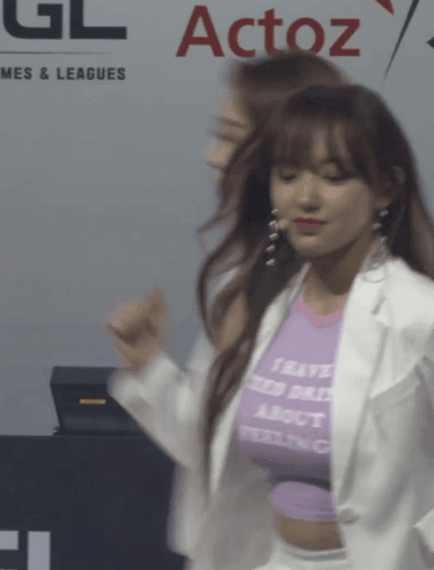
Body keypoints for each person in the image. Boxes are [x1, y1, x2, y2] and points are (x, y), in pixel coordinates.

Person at [106, 53, 434, 570]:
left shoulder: (416, 312)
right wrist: (148, 364)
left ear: (384, 188)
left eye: (333, 175)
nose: (306, 196)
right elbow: (214, 442)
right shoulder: (262, 299)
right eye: (288, 173)